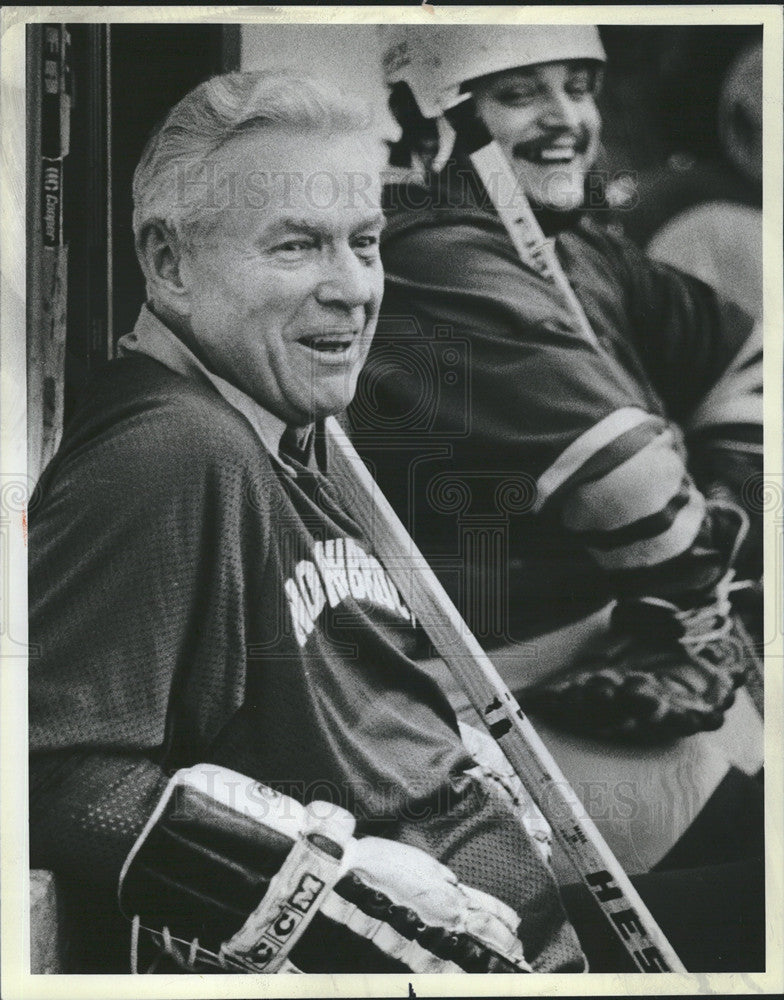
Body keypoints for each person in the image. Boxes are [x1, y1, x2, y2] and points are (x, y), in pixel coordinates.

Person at [27, 70, 585, 975]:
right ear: (168, 262)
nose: (353, 289)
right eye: (297, 247)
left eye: (364, 244)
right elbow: (43, 773)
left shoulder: (286, 429)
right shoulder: (172, 451)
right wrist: (337, 899)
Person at [354, 23, 763, 747]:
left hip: (599, 672)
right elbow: (635, 491)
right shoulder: (427, 252)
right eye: (518, 94)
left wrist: (723, 502)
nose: (566, 119)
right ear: (434, 118)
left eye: (577, 88)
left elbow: (751, 353)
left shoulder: (573, 243)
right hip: (470, 716)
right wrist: (708, 559)